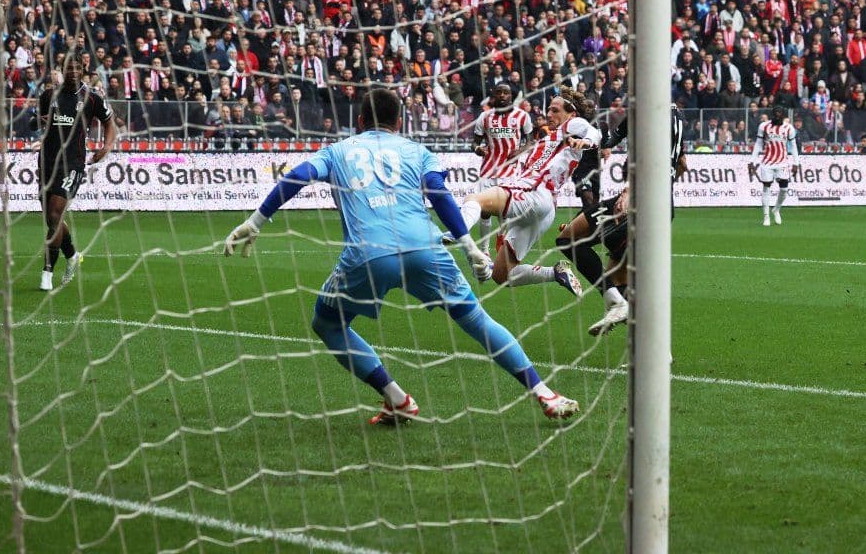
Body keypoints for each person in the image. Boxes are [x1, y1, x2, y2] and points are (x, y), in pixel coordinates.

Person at [221, 88, 579, 423]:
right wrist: (469, 247)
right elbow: (439, 195)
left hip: (369, 253)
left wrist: (256, 221)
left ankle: (397, 399)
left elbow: (297, 175)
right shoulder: (416, 151)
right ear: (400, 123)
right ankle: (545, 393)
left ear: (359, 122)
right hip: (425, 248)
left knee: (327, 323)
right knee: (476, 320)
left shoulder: (339, 150)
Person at [556, 105, 687, 336]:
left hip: (639, 201)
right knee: (617, 276)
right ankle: (654, 348)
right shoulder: (677, 118)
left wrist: (629, 191)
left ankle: (616, 303)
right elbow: (682, 164)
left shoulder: (648, 111)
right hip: (662, 204)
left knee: (568, 238)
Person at [459, 87, 599, 293]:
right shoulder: (548, 139)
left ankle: (458, 234)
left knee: (475, 199)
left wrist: (586, 141)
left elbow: (593, 132)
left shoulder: (572, 124)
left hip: (535, 191)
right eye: (548, 110)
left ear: (571, 113)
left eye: (555, 110)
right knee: (501, 275)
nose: (549, 114)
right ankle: (556, 272)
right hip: (545, 207)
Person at [32, 52, 117, 291]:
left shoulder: (91, 98)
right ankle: (72, 255)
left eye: (77, 68)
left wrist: (107, 146)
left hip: (73, 163)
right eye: (69, 68)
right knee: (51, 218)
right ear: (62, 70)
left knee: (56, 214)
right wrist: (40, 121)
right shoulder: (49, 95)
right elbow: (34, 122)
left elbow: (110, 121)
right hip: (47, 162)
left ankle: (47, 272)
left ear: (83, 69)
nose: (73, 73)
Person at [469, 83, 535, 249]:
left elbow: (531, 141)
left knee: (505, 211)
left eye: (506, 93)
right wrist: (478, 149)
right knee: (484, 211)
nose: (503, 96)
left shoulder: (522, 116)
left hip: (510, 173)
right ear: (494, 95)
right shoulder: (484, 117)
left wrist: (520, 151)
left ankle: (501, 237)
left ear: (511, 96)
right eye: (499, 92)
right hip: (488, 171)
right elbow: (474, 143)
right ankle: (484, 250)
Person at [748, 106, 798, 226]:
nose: (777, 115)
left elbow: (794, 146)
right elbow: (758, 144)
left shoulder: (788, 128)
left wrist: (796, 163)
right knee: (766, 188)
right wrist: (752, 161)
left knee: (784, 189)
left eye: (779, 113)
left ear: (783, 115)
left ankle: (776, 209)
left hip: (782, 162)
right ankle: (766, 217)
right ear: (772, 114)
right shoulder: (764, 126)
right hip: (767, 162)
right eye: (775, 113)